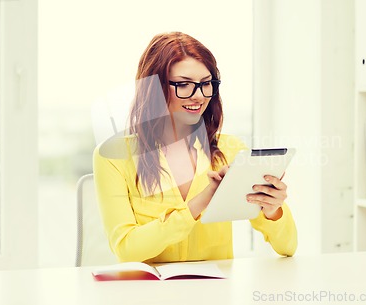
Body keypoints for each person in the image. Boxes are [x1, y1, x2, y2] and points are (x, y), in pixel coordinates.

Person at [93, 32, 297, 263]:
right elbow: (126, 248)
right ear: (154, 88)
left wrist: (272, 209)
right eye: (184, 84)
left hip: (212, 292)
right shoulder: (114, 157)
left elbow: (288, 247)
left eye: (205, 84)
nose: (198, 96)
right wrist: (201, 201)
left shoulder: (230, 150)